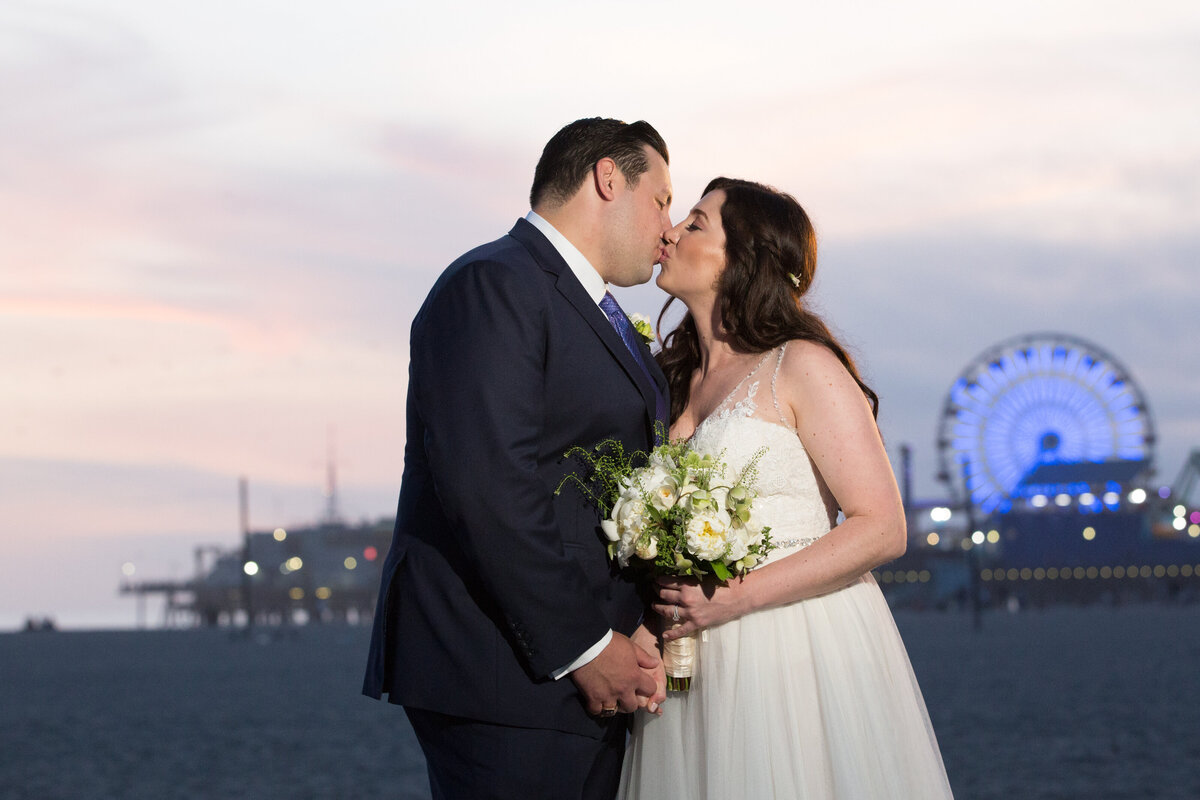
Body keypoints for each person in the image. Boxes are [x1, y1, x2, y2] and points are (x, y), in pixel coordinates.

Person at [361, 117, 674, 800]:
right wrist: (588, 648)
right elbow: (488, 485)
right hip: (506, 671)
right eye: (661, 199)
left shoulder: (586, 306)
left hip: (570, 673)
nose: (669, 227)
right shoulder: (493, 284)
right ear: (608, 178)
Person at [618, 178, 954, 798]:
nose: (671, 233)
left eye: (695, 223)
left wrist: (734, 598)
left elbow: (881, 526)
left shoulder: (800, 365)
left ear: (743, 259)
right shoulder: (666, 381)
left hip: (793, 648)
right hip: (691, 655)